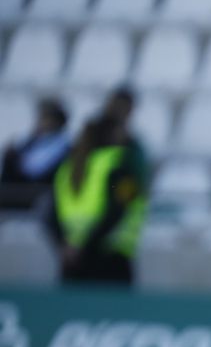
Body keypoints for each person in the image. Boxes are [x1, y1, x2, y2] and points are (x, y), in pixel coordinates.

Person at [48, 115, 147, 284]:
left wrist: (66, 246)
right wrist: (86, 246)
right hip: (111, 260)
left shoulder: (65, 169)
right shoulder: (119, 165)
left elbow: (50, 213)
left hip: (72, 260)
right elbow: (119, 210)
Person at [0, 97, 71, 197]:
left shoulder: (62, 145)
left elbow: (36, 169)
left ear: (57, 121)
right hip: (16, 193)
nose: (42, 122)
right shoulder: (30, 141)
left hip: (38, 194)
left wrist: (15, 158)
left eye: (46, 118)